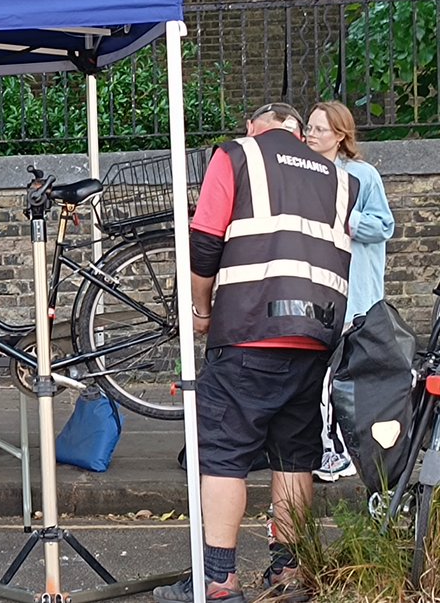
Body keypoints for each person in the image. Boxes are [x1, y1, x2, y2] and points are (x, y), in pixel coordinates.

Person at [153, 103, 358, 602]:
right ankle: (288, 572)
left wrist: (201, 309)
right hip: (315, 337)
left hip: (249, 330)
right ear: (295, 129)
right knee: (294, 457)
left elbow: (203, 242)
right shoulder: (338, 177)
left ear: (253, 127)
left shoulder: (238, 154)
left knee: (224, 455)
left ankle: (218, 579)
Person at [304, 102, 395, 483]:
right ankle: (331, 448)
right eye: (308, 127)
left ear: (340, 135)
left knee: (340, 377)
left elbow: (383, 225)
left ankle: (337, 452)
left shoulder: (362, 175)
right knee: (322, 375)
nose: (310, 135)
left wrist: (344, 215)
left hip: (354, 292)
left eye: (319, 129)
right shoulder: (302, 173)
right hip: (316, 289)